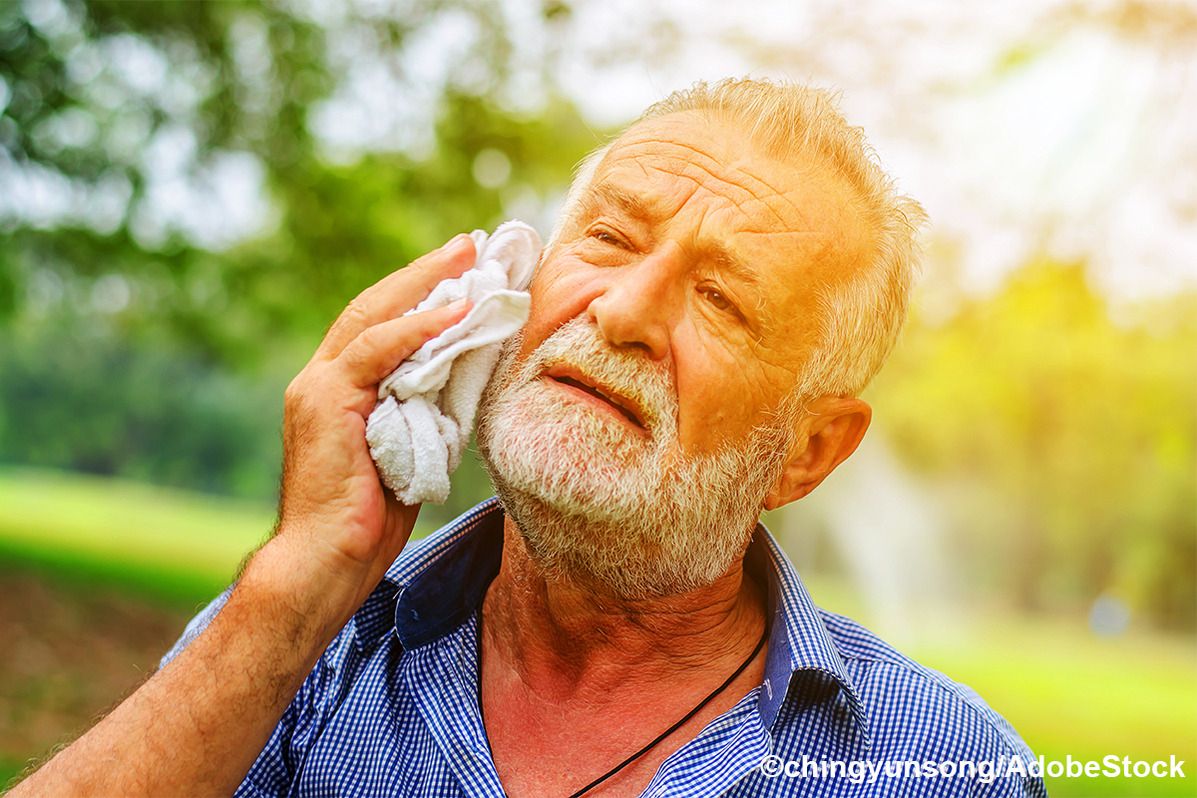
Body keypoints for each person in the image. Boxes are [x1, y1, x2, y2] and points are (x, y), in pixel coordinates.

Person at [13, 78, 1045, 797]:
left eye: (722, 298)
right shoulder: (302, 643)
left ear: (807, 452)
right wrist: (298, 578)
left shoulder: (951, 769)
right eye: (609, 238)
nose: (624, 310)